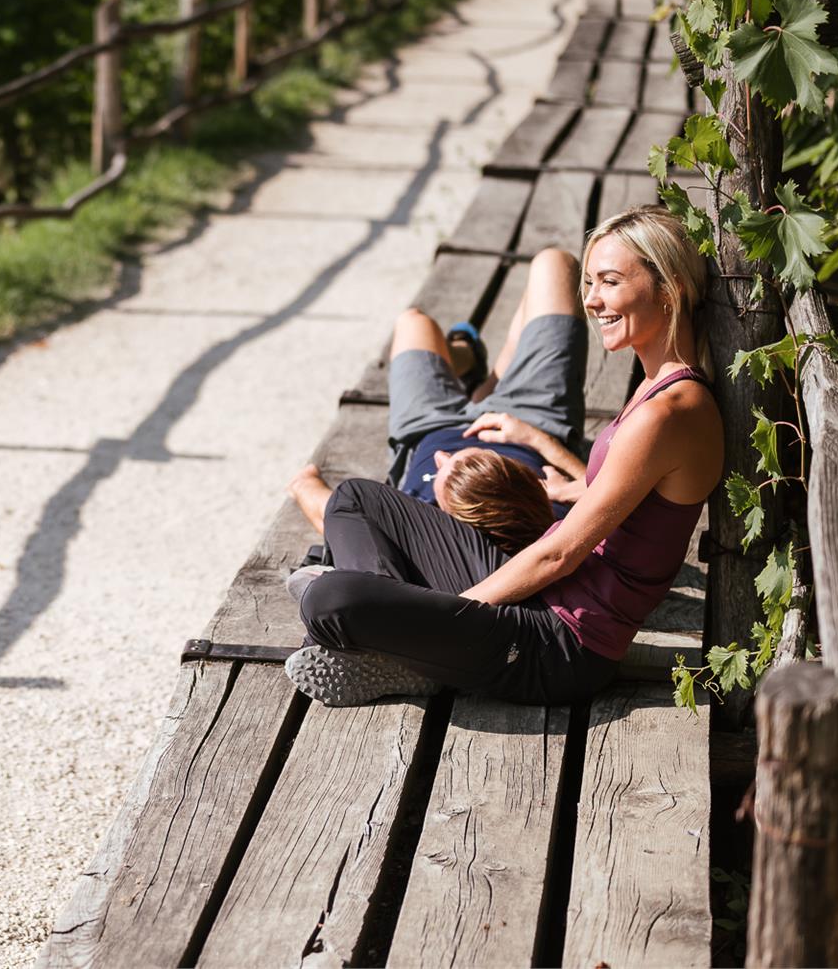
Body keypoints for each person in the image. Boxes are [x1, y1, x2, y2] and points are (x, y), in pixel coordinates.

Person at [281, 205, 724, 707]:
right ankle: (401, 642)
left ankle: (404, 641)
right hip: (540, 600)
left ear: (670, 288)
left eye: (610, 282)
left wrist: (446, 620)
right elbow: (637, 495)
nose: (593, 300)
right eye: (589, 284)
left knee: (327, 599)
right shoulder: (659, 389)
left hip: (561, 647)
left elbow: (559, 554)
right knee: (355, 499)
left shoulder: (668, 412)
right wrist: (565, 478)